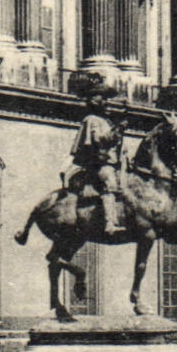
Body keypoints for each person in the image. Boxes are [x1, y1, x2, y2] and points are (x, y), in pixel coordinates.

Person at [69, 76, 128, 236]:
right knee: (109, 183)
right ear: (94, 101)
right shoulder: (92, 120)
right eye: (103, 98)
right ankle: (110, 223)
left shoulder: (105, 121)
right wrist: (118, 130)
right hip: (98, 164)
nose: (106, 102)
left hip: (113, 162)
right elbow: (99, 141)